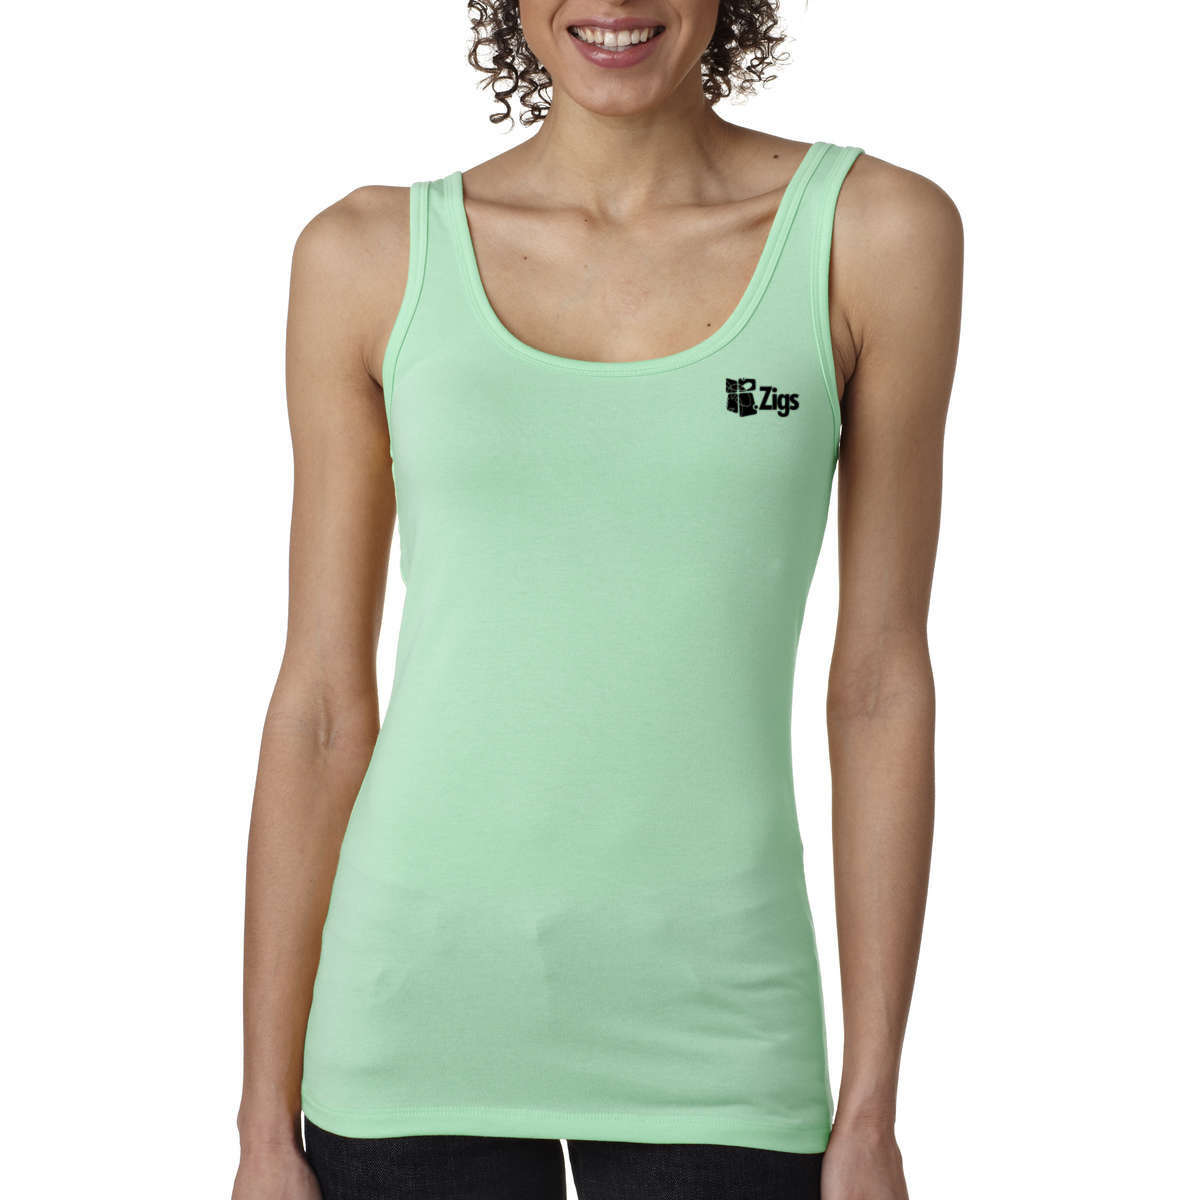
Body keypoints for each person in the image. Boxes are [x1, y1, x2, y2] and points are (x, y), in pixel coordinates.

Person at [231, 2, 963, 1198]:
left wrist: (872, 1113)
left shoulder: (874, 234)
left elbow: (880, 683)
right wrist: (263, 1129)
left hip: (725, 1034)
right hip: (412, 1023)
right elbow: (318, 703)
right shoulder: (365, 254)